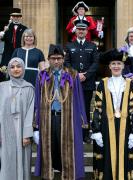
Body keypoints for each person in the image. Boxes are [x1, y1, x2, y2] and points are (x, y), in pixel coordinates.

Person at [34, 44, 87, 180]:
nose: (56, 61)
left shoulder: (73, 74)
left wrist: (82, 119)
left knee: (68, 150)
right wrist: (36, 124)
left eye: (59, 58)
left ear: (63, 59)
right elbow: (37, 100)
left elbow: (79, 98)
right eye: (53, 58)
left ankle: (68, 175)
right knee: (49, 150)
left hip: (67, 119)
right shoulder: (42, 76)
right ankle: (48, 176)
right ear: (48, 59)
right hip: (48, 119)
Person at [91, 48, 133, 180]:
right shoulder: (103, 83)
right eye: (113, 64)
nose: (116, 66)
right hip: (106, 127)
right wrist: (96, 130)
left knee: (124, 158)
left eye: (119, 63)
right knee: (106, 158)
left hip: (126, 128)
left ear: (123, 66)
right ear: (109, 66)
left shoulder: (130, 84)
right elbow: (97, 108)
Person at [65, 19, 99, 143]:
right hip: (73, 83)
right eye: (79, 29)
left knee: (85, 108)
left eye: (83, 29)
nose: (81, 31)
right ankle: (74, 133)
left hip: (87, 84)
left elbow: (96, 63)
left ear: (86, 31)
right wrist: (75, 74)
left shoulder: (92, 46)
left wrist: (86, 75)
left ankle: (85, 134)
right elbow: (66, 62)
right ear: (76, 31)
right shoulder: (69, 46)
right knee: (73, 108)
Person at [0, 57, 34, 180]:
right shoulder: (1, 87)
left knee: (23, 161)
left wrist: (27, 134)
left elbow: (31, 112)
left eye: (18, 66)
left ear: (23, 68)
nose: (15, 69)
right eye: (12, 67)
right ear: (8, 70)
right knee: (7, 160)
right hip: (5, 130)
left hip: (22, 132)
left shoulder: (29, 88)